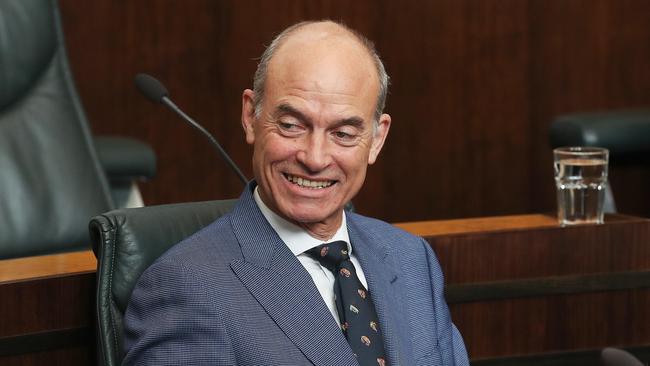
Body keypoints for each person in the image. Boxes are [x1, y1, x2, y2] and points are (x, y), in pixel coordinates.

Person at [122, 20, 469, 366]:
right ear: (250, 116)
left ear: (377, 139)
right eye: (291, 126)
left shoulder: (411, 258)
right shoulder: (187, 287)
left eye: (344, 133)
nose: (315, 158)